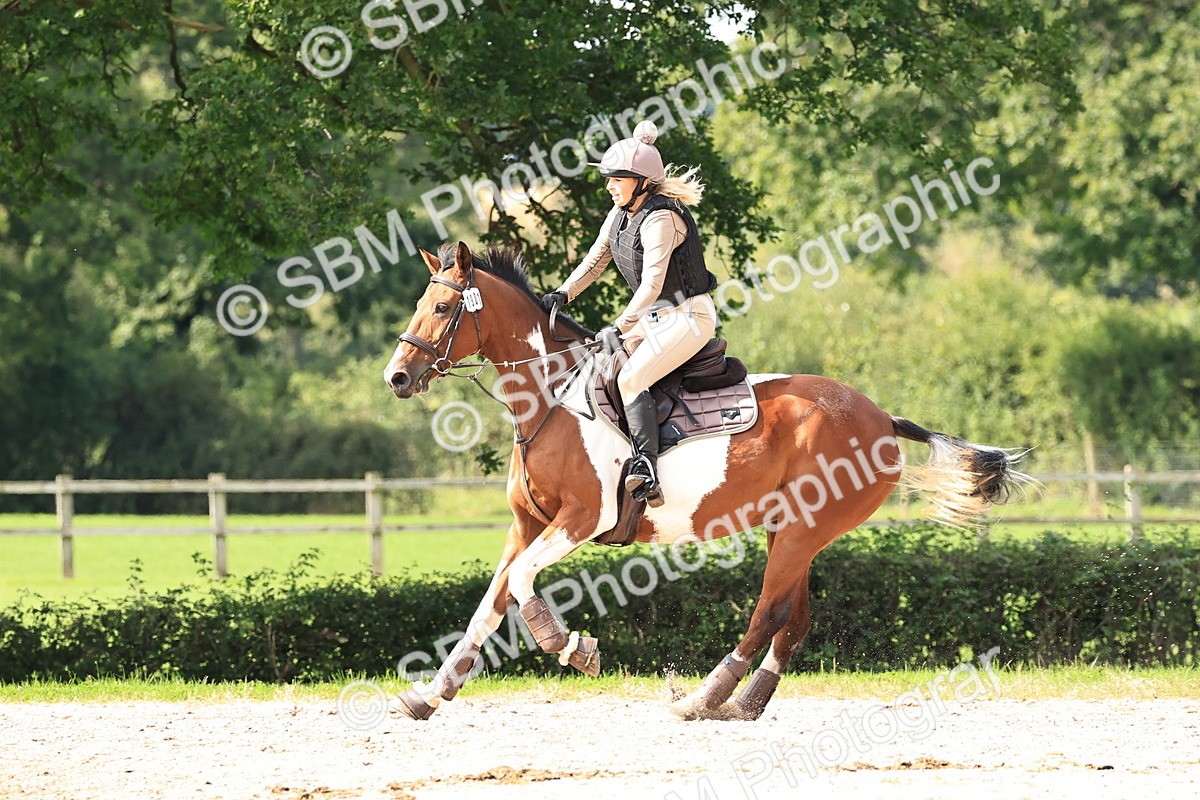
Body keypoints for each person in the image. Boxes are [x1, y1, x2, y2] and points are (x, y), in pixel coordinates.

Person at [541, 120, 718, 507]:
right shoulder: (620, 212)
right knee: (592, 372)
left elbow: (651, 286)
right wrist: (561, 294)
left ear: (642, 181)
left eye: (616, 178)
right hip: (653, 320)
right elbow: (595, 261)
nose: (609, 185)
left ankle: (647, 470)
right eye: (608, 178)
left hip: (688, 316)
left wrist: (619, 328)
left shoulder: (662, 219)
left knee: (632, 378)